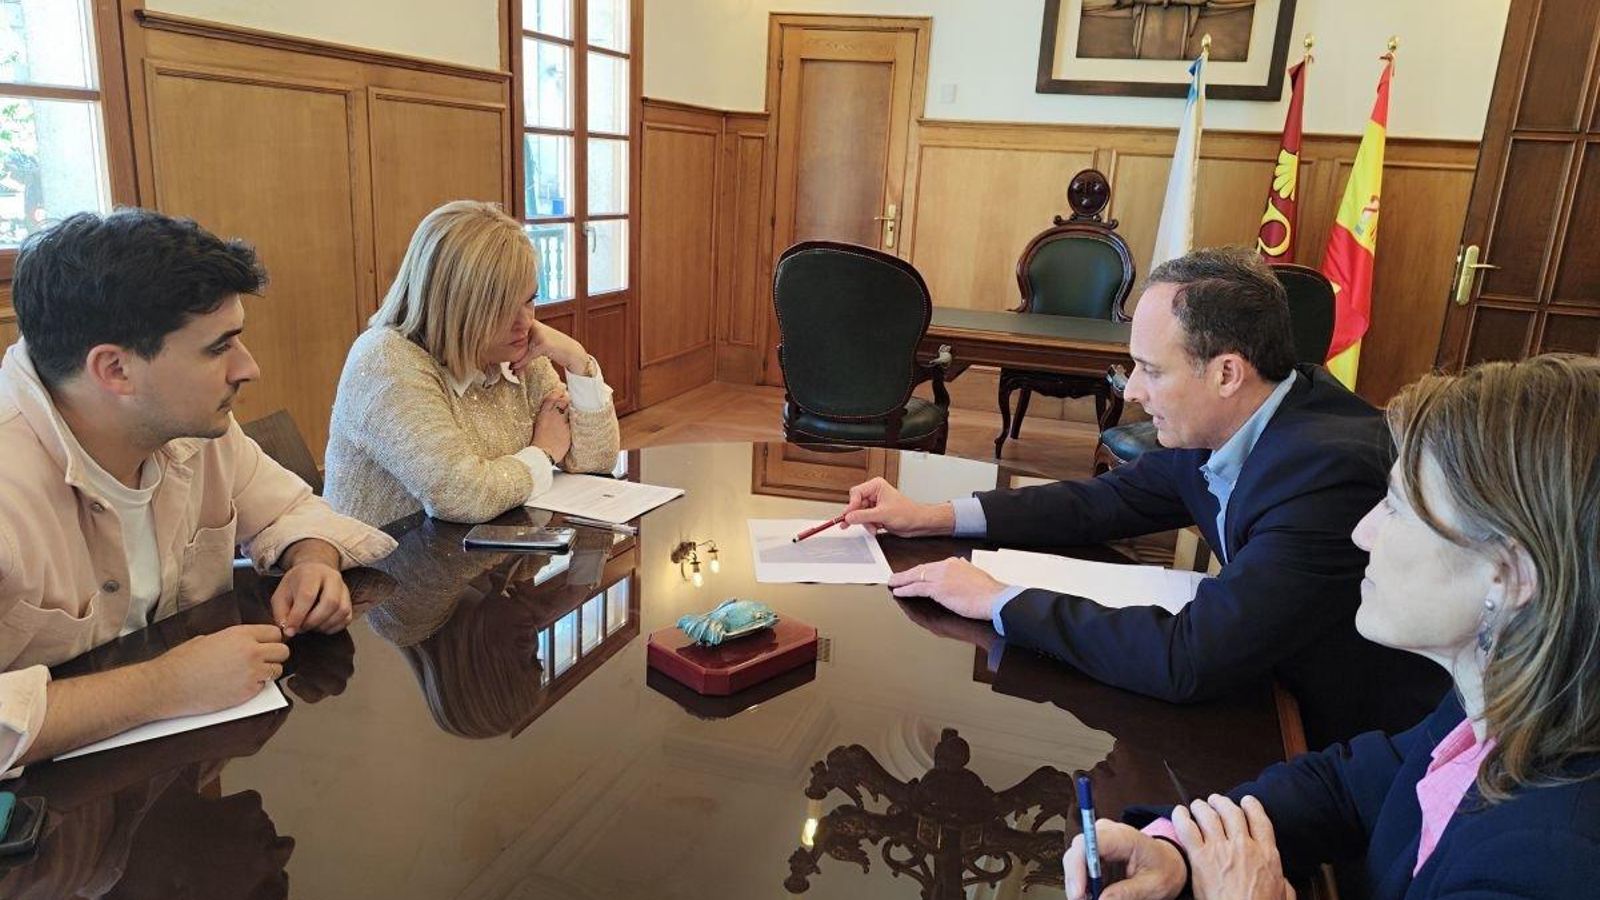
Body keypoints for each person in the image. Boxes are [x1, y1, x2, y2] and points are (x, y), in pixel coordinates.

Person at [844, 247, 1446, 746]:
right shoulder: (1242, 417)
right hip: (1266, 681)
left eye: (1151, 370)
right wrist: (931, 516)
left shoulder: (1324, 476)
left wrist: (999, 600)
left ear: (1227, 373)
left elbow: (1189, 660)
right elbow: (1102, 502)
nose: (1131, 392)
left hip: (1346, 739)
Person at [1062, 354, 1600, 900]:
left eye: (1398, 507)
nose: (1363, 531)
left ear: (1511, 576)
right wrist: (1180, 847)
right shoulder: (1500, 700)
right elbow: (1347, 789)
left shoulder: (1548, 863)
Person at [0, 209, 396, 774]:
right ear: (115, 369)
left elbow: (292, 509)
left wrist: (312, 560)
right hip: (50, 819)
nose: (248, 368)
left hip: (175, 780)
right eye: (218, 348)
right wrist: (163, 686)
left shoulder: (191, 428)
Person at [324, 200, 621, 527]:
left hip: (484, 548)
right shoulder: (386, 360)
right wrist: (544, 453)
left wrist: (577, 360)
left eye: (530, 300)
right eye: (502, 308)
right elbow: (461, 495)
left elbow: (595, 460)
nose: (526, 322)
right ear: (453, 305)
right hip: (392, 557)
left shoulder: (516, 349)